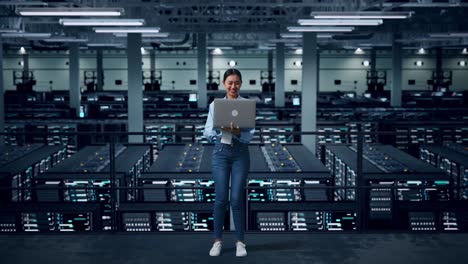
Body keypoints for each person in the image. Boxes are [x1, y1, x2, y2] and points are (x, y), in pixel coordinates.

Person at [204, 69, 255, 257]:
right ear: (224, 83)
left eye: (237, 83)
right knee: (220, 198)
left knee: (236, 199)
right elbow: (207, 132)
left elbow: (251, 135)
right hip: (221, 153)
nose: (233, 86)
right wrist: (221, 130)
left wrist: (239, 133)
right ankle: (217, 241)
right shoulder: (215, 105)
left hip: (240, 154)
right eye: (230, 83)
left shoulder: (247, 105)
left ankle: (240, 242)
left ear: (241, 84)